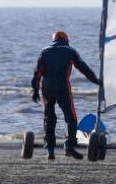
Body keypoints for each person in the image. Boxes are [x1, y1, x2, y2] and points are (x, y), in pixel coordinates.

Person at [30, 30, 100, 160]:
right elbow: (83, 67)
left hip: (47, 87)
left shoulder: (45, 51)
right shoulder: (70, 51)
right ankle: (69, 147)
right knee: (70, 117)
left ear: (53, 40)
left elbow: (37, 72)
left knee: (49, 118)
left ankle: (50, 150)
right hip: (62, 86)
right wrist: (95, 80)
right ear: (66, 40)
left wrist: (35, 90)